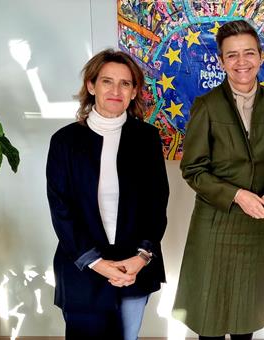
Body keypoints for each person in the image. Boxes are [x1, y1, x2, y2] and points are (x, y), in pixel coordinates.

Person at [172, 20, 264, 340]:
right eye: (233, 55)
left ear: (261, 56)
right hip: (214, 226)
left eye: (249, 53)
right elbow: (193, 169)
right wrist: (238, 196)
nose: (242, 62)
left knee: (245, 319)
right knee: (209, 320)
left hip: (257, 229)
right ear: (222, 61)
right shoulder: (207, 106)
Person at [46, 49, 169, 339]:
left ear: (134, 90)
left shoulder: (147, 139)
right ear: (91, 86)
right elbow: (61, 210)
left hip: (133, 266)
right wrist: (97, 263)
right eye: (107, 81)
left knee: (128, 336)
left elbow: (156, 204)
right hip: (83, 265)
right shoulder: (64, 141)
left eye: (125, 83)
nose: (116, 90)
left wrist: (141, 257)